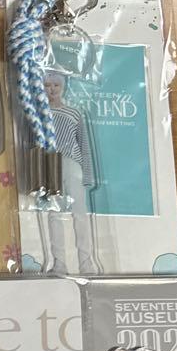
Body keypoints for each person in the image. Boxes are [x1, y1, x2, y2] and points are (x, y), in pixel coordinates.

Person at [43, 71, 99, 275]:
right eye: (48, 85)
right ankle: (59, 263)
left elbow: (84, 144)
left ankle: (86, 262)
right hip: (49, 164)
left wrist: (88, 174)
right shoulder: (40, 114)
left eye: (56, 85)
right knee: (54, 214)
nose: (52, 89)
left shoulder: (74, 113)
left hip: (72, 163)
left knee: (80, 213)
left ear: (62, 87)